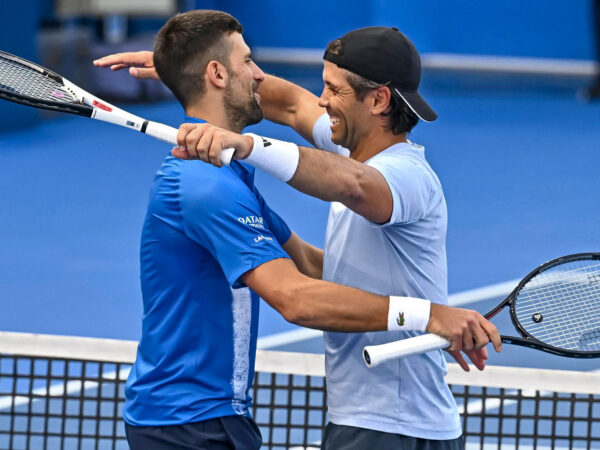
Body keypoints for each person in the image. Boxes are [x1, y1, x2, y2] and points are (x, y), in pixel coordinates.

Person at [95, 15, 501, 450]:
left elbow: (351, 185)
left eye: (335, 89)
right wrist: (188, 69)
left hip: (396, 425)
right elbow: (290, 104)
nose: (322, 101)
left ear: (379, 100)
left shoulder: (405, 177)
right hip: (352, 419)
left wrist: (246, 143)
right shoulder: (345, 143)